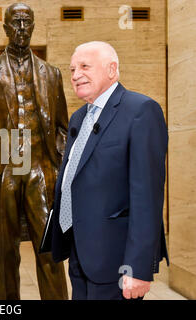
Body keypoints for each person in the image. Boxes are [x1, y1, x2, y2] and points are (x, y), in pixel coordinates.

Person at [42, 41, 169, 300]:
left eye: (84, 67)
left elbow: (147, 198)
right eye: (72, 69)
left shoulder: (141, 111)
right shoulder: (78, 118)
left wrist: (139, 267)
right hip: (79, 252)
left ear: (112, 69)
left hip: (117, 262)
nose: (76, 75)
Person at [0, 3, 68, 300]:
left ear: (34, 26)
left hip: (42, 171)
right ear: (5, 28)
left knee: (49, 250)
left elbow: (63, 126)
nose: (22, 29)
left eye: (27, 22)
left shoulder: (52, 74)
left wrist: (60, 167)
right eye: (16, 23)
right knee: (6, 254)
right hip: (5, 174)